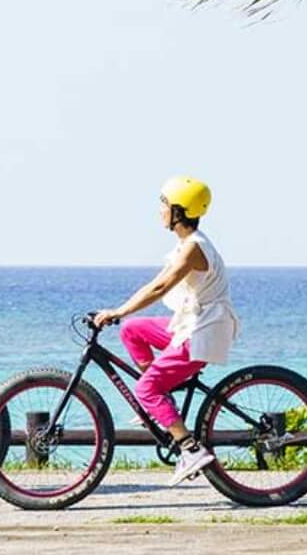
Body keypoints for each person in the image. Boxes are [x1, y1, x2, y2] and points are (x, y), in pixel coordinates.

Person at [93, 176, 238, 484]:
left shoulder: (193, 249)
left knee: (145, 389)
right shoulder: (186, 245)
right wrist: (121, 314)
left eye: (164, 204)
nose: (159, 210)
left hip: (202, 332)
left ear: (179, 210)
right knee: (132, 330)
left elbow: (160, 287)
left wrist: (116, 311)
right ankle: (164, 398)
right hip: (189, 323)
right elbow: (153, 284)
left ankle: (190, 449)